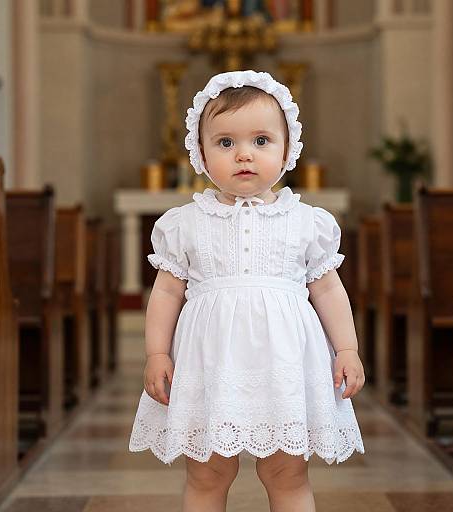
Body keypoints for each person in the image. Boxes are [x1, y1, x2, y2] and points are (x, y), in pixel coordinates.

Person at [129, 70, 365, 512]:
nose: (243, 155)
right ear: (199, 152)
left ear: (287, 149)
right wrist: (157, 353)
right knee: (207, 472)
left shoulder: (306, 222)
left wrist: (347, 349)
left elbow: (329, 289)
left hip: (285, 367)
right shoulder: (185, 224)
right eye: (225, 143)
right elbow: (165, 294)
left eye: (261, 141)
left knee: (287, 472)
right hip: (211, 365)